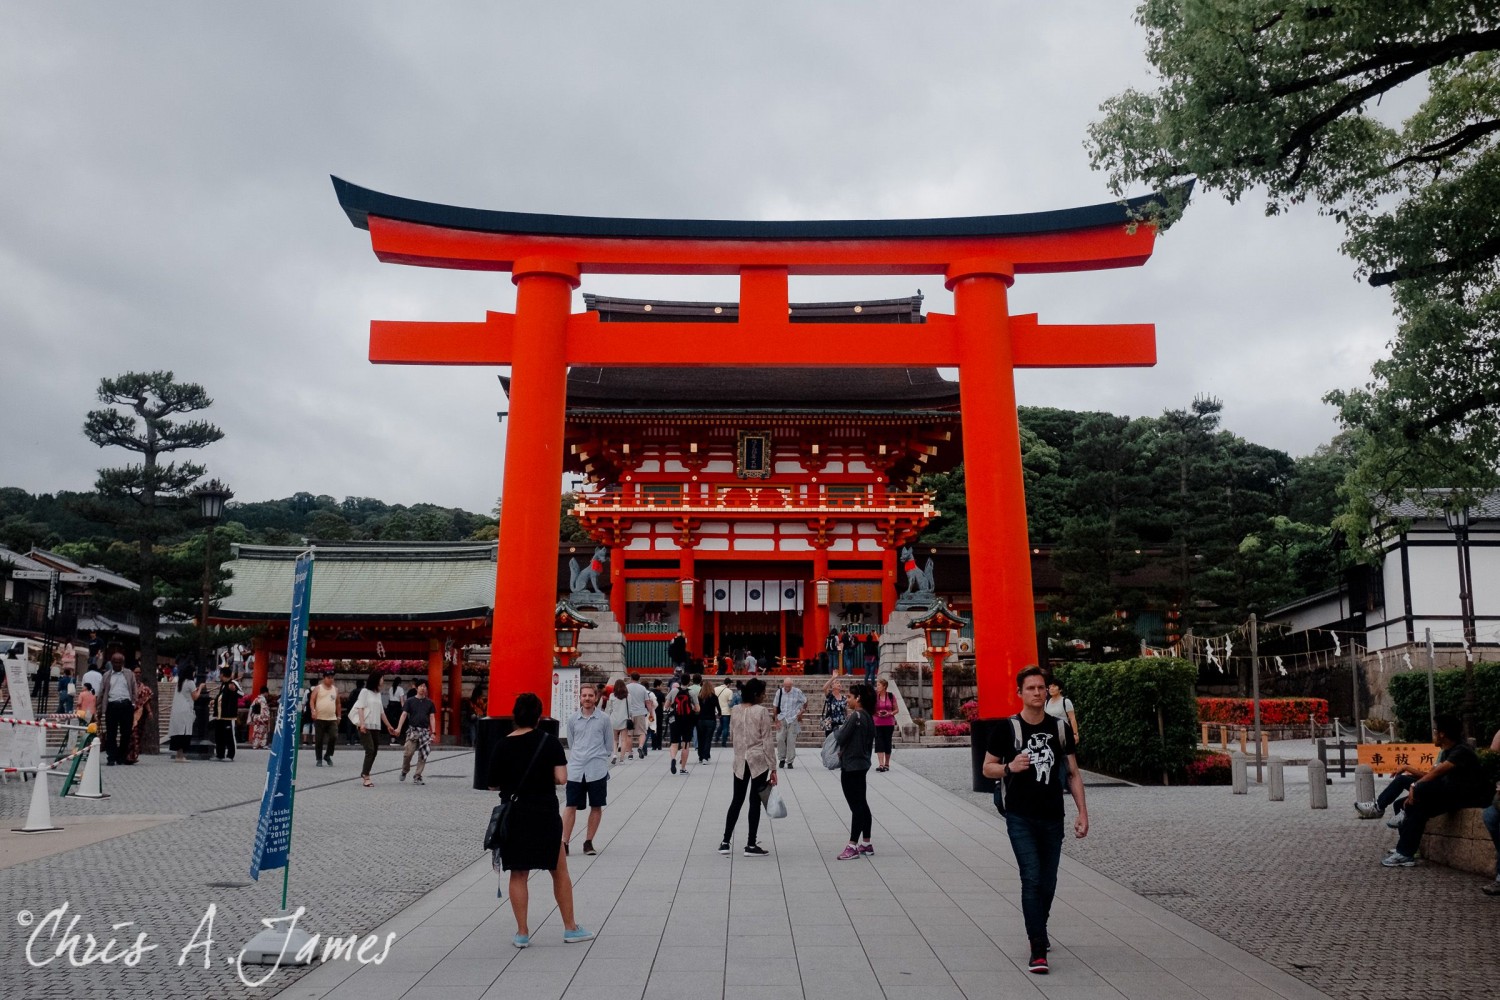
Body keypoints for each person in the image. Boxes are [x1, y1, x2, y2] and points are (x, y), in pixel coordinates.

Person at [982, 666, 1088, 975]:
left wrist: (1083, 812)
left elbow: (1072, 773)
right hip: (1020, 816)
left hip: (1053, 815)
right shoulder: (1006, 729)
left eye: (1041, 688)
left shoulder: (1059, 728)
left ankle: (1039, 926)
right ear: (1020, 693)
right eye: (1031, 688)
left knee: (1049, 880)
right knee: (1031, 876)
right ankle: (1038, 947)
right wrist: (1009, 767)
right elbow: (988, 767)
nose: (1037, 693)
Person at [486, 692, 593, 948]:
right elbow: (562, 778)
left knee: (519, 873)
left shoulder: (502, 745)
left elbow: (492, 784)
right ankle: (570, 928)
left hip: (515, 815)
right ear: (538, 716)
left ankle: (522, 932)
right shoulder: (550, 742)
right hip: (544, 813)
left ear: (515, 714)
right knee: (559, 872)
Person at [1378, 714, 1490, 867]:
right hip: (1449, 792)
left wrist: (1414, 787)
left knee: (1416, 797)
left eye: (1436, 731)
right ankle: (1405, 850)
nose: (1434, 734)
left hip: (1465, 797)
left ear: (1442, 734)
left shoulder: (1461, 751)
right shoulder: (1447, 751)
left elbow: (1436, 774)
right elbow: (1430, 775)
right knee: (1406, 798)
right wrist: (1407, 768)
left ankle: (1405, 846)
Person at [720, 677, 776, 857]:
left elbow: (732, 734)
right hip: (758, 759)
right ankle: (751, 844)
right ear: (757, 694)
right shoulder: (761, 711)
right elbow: (767, 739)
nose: (764, 696)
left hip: (740, 760)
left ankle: (725, 841)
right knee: (755, 801)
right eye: (762, 693)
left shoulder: (735, 710)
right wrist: (773, 766)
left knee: (736, 800)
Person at [563, 683, 612, 856]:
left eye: (591, 695)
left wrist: (599, 757)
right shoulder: (572, 719)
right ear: (580, 698)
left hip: (596, 768)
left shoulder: (604, 719)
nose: (587, 699)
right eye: (584, 696)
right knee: (570, 805)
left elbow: (609, 745)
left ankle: (588, 841)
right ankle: (565, 842)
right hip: (576, 768)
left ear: (596, 697)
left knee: (596, 805)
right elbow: (571, 742)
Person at [834, 682, 877, 859]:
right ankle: (866, 842)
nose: (847, 700)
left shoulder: (855, 716)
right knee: (862, 803)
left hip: (851, 765)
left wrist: (837, 730)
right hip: (862, 763)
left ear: (858, 698)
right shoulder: (868, 716)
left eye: (850, 697)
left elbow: (842, 737)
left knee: (856, 806)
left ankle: (852, 845)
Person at [351, 671, 396, 787]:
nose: (383, 681)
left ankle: (365, 772)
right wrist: (361, 724)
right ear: (376, 679)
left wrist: (388, 726)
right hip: (365, 725)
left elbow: (381, 712)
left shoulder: (378, 694)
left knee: (374, 751)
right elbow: (360, 708)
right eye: (382, 678)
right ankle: (366, 776)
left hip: (376, 726)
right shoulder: (364, 692)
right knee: (370, 750)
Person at [100, 652, 140, 766]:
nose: (117, 664)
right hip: (112, 705)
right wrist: (100, 709)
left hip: (126, 705)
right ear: (111, 662)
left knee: (126, 733)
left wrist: (133, 704)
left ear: (123, 663)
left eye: (119, 662)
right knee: (111, 733)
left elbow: (134, 689)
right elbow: (102, 692)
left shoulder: (129, 674)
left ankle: (121, 756)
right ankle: (111, 757)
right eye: (115, 662)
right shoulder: (107, 675)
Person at [394, 681, 437, 784]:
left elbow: (432, 717)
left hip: (424, 732)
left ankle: (417, 776)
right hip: (413, 731)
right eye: (421, 686)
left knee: (423, 755)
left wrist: (434, 732)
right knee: (408, 753)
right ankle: (405, 770)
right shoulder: (410, 701)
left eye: (424, 687)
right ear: (417, 688)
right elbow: (404, 714)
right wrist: (398, 728)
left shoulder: (430, 703)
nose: (423, 688)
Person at [771, 677, 808, 769]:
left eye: (789, 686)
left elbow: (805, 701)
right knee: (780, 739)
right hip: (781, 717)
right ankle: (781, 758)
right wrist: (776, 719)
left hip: (793, 718)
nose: (787, 688)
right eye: (785, 686)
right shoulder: (779, 692)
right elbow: (775, 706)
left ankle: (790, 761)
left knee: (791, 740)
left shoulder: (797, 692)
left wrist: (802, 711)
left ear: (792, 685)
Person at [168, 671, 204, 762]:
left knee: (178, 732)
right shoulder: (190, 683)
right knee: (184, 732)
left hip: (177, 710)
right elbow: (195, 697)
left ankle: (178, 755)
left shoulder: (180, 682)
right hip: (185, 710)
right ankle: (181, 756)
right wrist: (200, 688)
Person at [310, 671, 342, 767]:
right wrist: (313, 710)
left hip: (332, 718)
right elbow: (312, 700)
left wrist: (339, 715)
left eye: (332, 677)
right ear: (324, 678)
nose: (330, 679)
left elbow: (338, 703)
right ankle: (319, 758)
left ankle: (328, 755)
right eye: (328, 677)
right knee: (319, 739)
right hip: (320, 718)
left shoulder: (335, 689)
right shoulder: (318, 688)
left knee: (334, 736)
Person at [669, 677, 697, 775]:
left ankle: (673, 759)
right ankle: (683, 768)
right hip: (687, 721)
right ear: (689, 682)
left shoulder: (674, 691)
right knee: (685, 744)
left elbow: (667, 705)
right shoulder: (691, 693)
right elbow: (698, 709)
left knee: (674, 743)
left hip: (675, 720)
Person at [212, 669, 241, 762]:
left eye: (220, 674)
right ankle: (220, 754)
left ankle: (230, 755)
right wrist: (215, 701)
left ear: (223, 674)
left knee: (229, 735)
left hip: (228, 715)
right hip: (220, 715)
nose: (219, 676)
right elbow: (221, 696)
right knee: (219, 735)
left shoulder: (233, 683)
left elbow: (242, 693)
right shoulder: (223, 685)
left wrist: (234, 690)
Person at [131, 666, 158, 760]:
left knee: (137, 734)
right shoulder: (128, 686)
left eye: (139, 672)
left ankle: (134, 754)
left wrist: (150, 712)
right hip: (129, 712)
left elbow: (146, 702)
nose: (137, 674)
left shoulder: (144, 688)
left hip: (139, 714)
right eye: (136, 672)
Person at [872, 676, 897, 772]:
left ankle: (887, 763)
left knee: (887, 742)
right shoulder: (875, 696)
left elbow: (896, 709)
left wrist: (889, 713)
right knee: (879, 742)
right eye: (877, 685)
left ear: (884, 686)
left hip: (889, 722)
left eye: (878, 685)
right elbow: (871, 709)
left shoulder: (891, 696)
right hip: (877, 722)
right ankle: (881, 764)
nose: (877, 687)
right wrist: (876, 713)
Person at [626, 672, 651, 760]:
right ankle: (640, 747)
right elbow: (647, 702)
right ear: (639, 678)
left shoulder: (627, 687)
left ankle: (629, 753)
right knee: (642, 732)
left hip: (629, 713)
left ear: (631, 677)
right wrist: (651, 712)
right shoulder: (643, 688)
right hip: (640, 712)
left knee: (629, 734)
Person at [605, 678, 630, 763]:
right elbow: (630, 709)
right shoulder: (628, 696)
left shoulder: (612, 696)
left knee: (614, 739)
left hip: (614, 719)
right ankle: (622, 759)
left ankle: (615, 755)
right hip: (624, 719)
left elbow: (610, 709)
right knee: (623, 740)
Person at [696, 679, 720, 763]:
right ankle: (706, 757)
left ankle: (700, 756)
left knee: (700, 738)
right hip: (711, 720)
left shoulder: (699, 697)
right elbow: (719, 709)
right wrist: (719, 714)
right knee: (708, 739)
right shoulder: (714, 697)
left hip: (700, 720)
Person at [247, 685, 272, 749]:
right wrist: (266, 718)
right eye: (267, 693)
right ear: (265, 692)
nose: (268, 694)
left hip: (256, 717)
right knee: (262, 731)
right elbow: (264, 709)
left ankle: (256, 744)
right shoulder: (262, 700)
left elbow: (251, 709)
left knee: (256, 731)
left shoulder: (256, 699)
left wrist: (251, 718)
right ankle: (261, 744)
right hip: (261, 718)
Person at [716, 680, 734, 747]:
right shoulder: (729, 691)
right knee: (726, 727)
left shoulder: (716, 689)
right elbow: (729, 703)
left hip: (718, 711)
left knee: (721, 724)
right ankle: (723, 742)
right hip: (726, 711)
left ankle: (717, 737)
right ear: (728, 684)